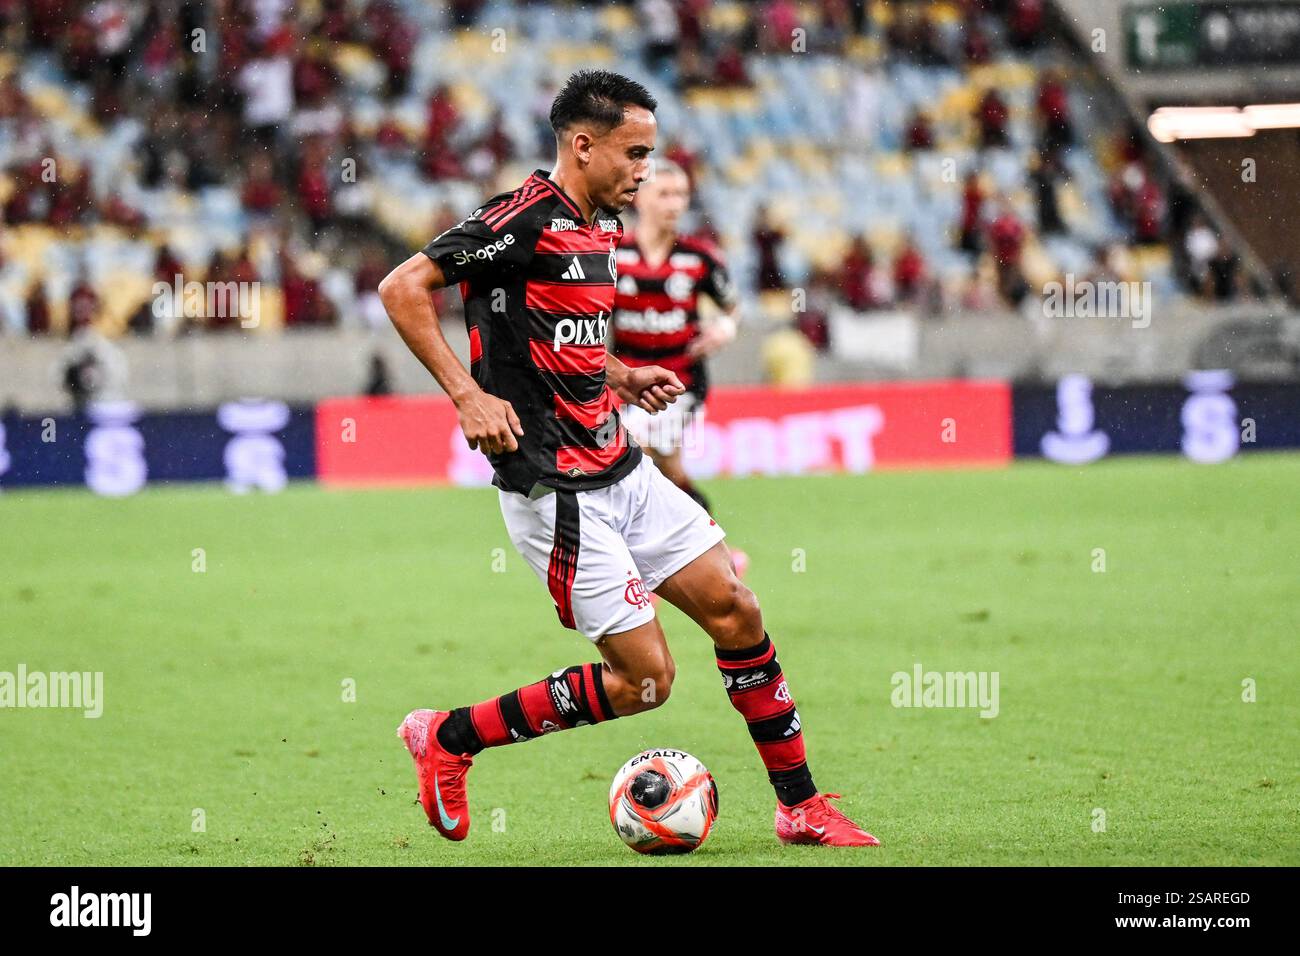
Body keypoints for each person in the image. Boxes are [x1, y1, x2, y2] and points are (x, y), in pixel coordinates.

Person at [378, 69, 879, 849]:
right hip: (555, 488)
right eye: (634, 152)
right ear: (582, 145)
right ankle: (449, 737)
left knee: (737, 610)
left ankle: (800, 806)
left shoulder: (599, 228)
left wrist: (620, 373)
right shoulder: (522, 220)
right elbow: (403, 287)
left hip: (622, 466)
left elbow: (560, 338)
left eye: (651, 154)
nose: (645, 170)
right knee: (646, 682)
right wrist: (466, 398)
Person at [611, 158, 736, 520]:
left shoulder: (698, 257)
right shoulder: (614, 254)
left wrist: (725, 328)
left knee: (637, 453)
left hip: (680, 379)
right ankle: (712, 542)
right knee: (669, 471)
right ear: (640, 197)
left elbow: (731, 306)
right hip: (629, 379)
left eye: (681, 195)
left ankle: (647, 555)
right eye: (664, 193)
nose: (675, 204)